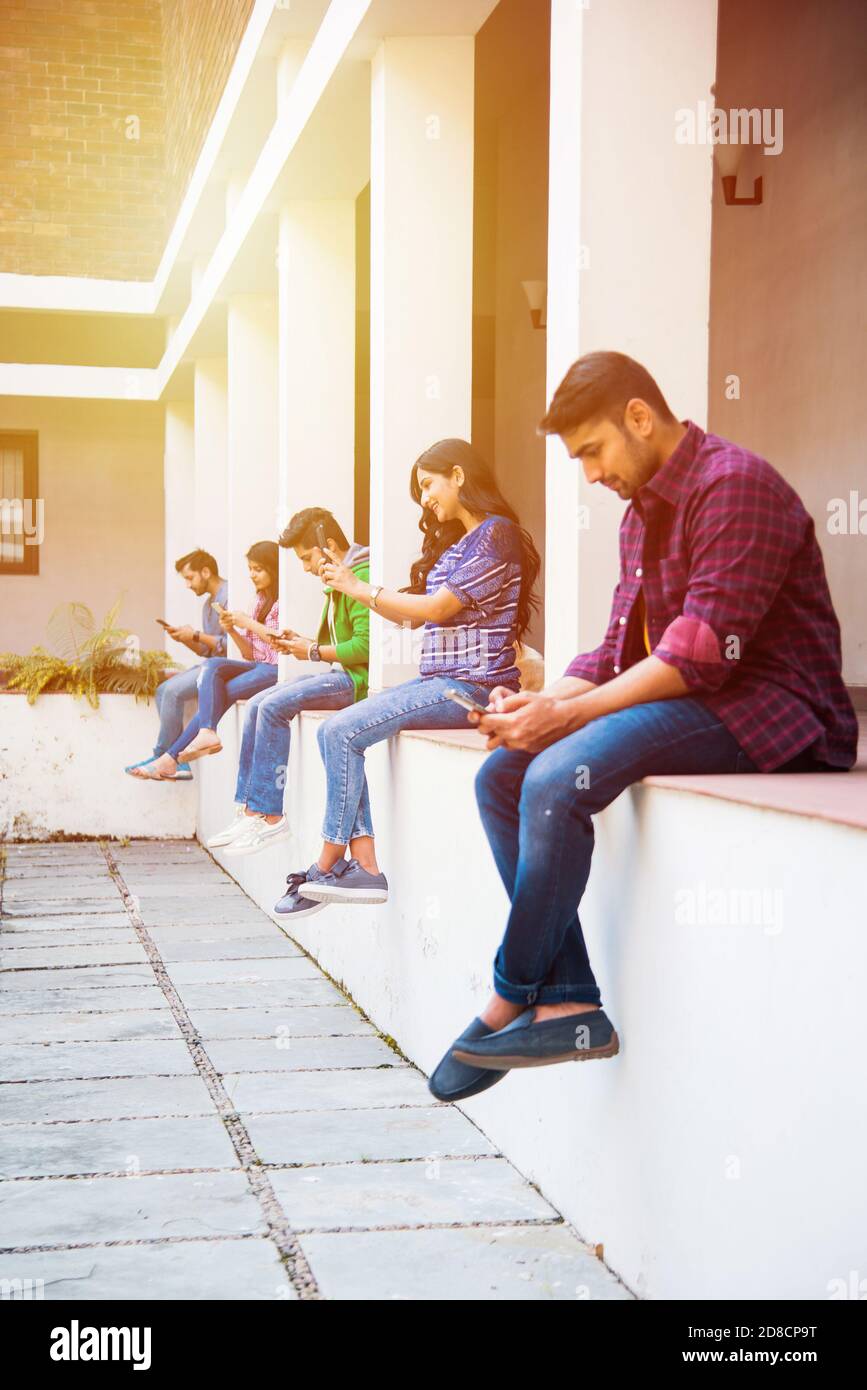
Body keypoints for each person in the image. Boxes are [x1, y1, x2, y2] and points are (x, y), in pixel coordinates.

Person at [429, 350, 858, 1102]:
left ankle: (505, 995)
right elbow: (614, 647)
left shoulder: (735, 486)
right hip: (697, 702)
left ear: (638, 416)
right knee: (504, 774)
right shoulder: (640, 517)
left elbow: (698, 653)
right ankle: (568, 1002)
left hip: (780, 712)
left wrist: (563, 718)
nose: (589, 475)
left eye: (591, 451)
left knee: (559, 777)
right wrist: (533, 704)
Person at [274, 438, 541, 920]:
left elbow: (438, 608)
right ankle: (364, 867)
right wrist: (358, 588)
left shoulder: (497, 534)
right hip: (437, 681)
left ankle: (332, 863)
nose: (424, 499)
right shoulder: (457, 544)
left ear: (459, 475)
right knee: (337, 732)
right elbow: (415, 615)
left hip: (470, 688)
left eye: (427, 484)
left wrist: (359, 587)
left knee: (339, 731)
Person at [206, 508, 370, 861]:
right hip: (338, 673)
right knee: (258, 703)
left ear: (329, 547)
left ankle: (272, 815)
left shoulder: (361, 575)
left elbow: (366, 648)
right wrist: (301, 642)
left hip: (353, 682)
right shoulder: (340, 579)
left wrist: (310, 650)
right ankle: (250, 812)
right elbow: (343, 647)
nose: (307, 568)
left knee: (275, 707)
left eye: (308, 558)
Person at [131, 541, 281, 780]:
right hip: (256, 664)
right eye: (250, 569)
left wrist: (245, 624)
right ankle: (202, 736)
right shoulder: (259, 600)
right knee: (211, 667)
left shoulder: (284, 602)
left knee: (218, 689)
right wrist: (231, 630)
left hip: (276, 670)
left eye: (258, 569)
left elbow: (281, 643)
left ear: (274, 569)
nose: (252, 575)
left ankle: (170, 757)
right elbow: (248, 653)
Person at [124, 548, 227, 781]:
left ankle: (164, 757)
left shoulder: (230, 595)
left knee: (171, 691)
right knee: (163, 690)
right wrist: (186, 638)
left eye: (190, 578)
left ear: (206, 571)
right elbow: (207, 649)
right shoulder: (208, 605)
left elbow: (232, 646)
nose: (188, 585)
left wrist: (196, 634)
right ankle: (177, 763)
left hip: (225, 668)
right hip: (211, 664)